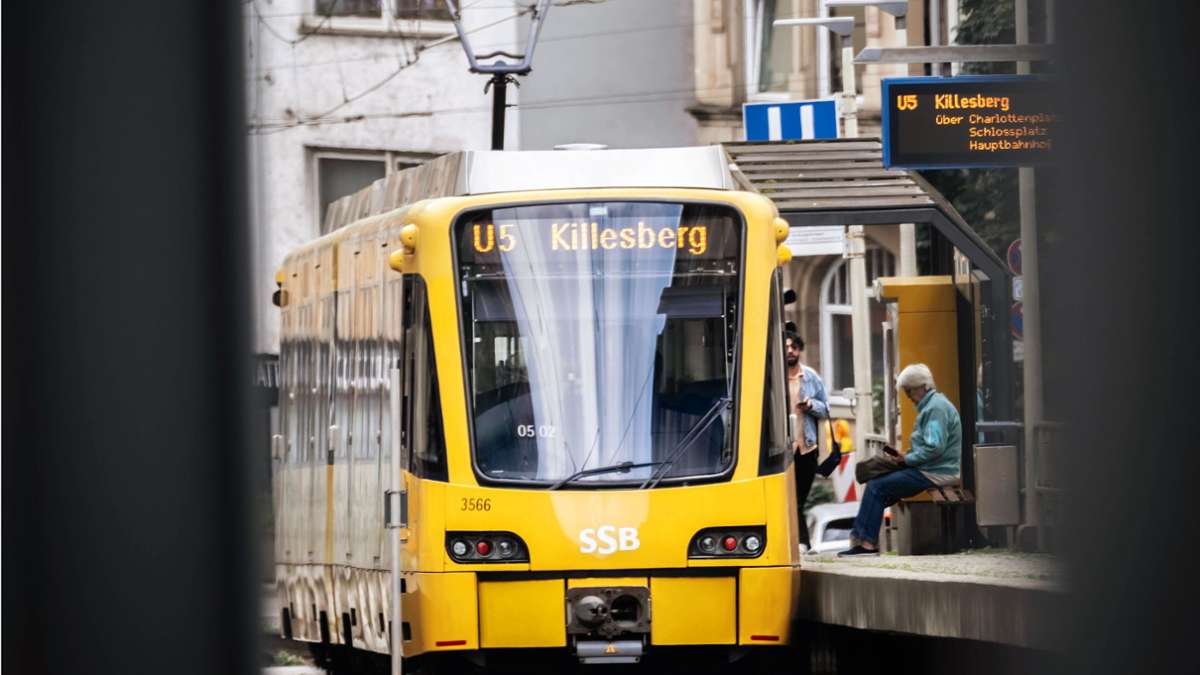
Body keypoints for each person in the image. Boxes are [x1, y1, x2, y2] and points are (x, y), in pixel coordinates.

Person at [838, 363, 961, 557]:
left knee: (877, 487)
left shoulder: (935, 409)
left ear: (923, 387)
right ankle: (861, 539)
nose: (909, 397)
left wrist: (908, 459)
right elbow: (932, 446)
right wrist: (906, 456)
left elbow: (935, 447)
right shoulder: (935, 405)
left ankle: (866, 544)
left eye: (909, 391)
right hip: (932, 468)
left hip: (936, 471)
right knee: (877, 483)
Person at [785, 331, 841, 550]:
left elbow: (826, 407)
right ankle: (801, 543)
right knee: (790, 499)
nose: (790, 351)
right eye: (786, 347)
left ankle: (800, 543)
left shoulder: (810, 377)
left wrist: (810, 406)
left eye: (794, 347)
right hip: (783, 447)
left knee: (799, 498)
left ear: (800, 350)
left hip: (807, 448)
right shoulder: (774, 376)